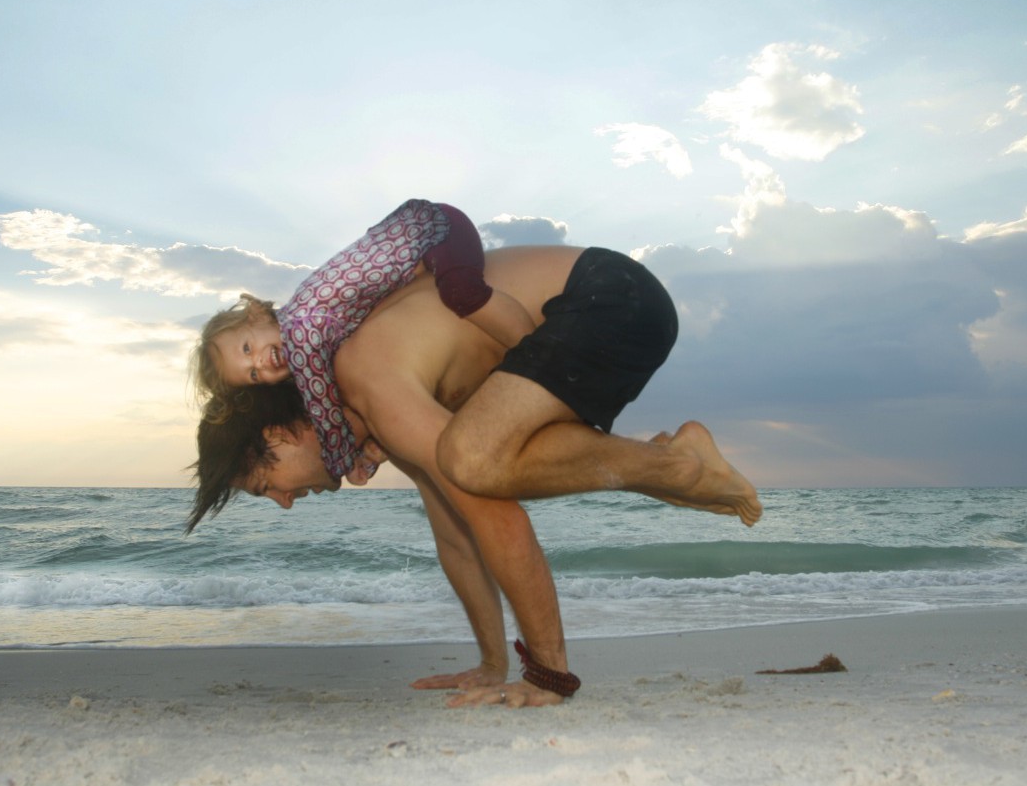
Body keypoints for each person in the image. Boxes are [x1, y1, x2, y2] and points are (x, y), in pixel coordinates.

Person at [189, 244, 763, 708]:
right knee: (470, 462)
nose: (285, 501)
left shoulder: (365, 377)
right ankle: (675, 464)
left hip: (607, 297)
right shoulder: (378, 414)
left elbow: (498, 520)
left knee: (472, 459)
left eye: (266, 486)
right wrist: (492, 663)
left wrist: (547, 675)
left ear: (277, 434)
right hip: (614, 305)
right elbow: (458, 538)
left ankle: (676, 468)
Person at [190, 200, 534, 485]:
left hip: (435, 230)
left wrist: (339, 463)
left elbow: (325, 412)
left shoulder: (301, 331)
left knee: (463, 293)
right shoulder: (316, 337)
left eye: (248, 349)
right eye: (253, 375)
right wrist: (368, 455)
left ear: (256, 314)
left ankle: (534, 347)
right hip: (420, 245)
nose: (261, 364)